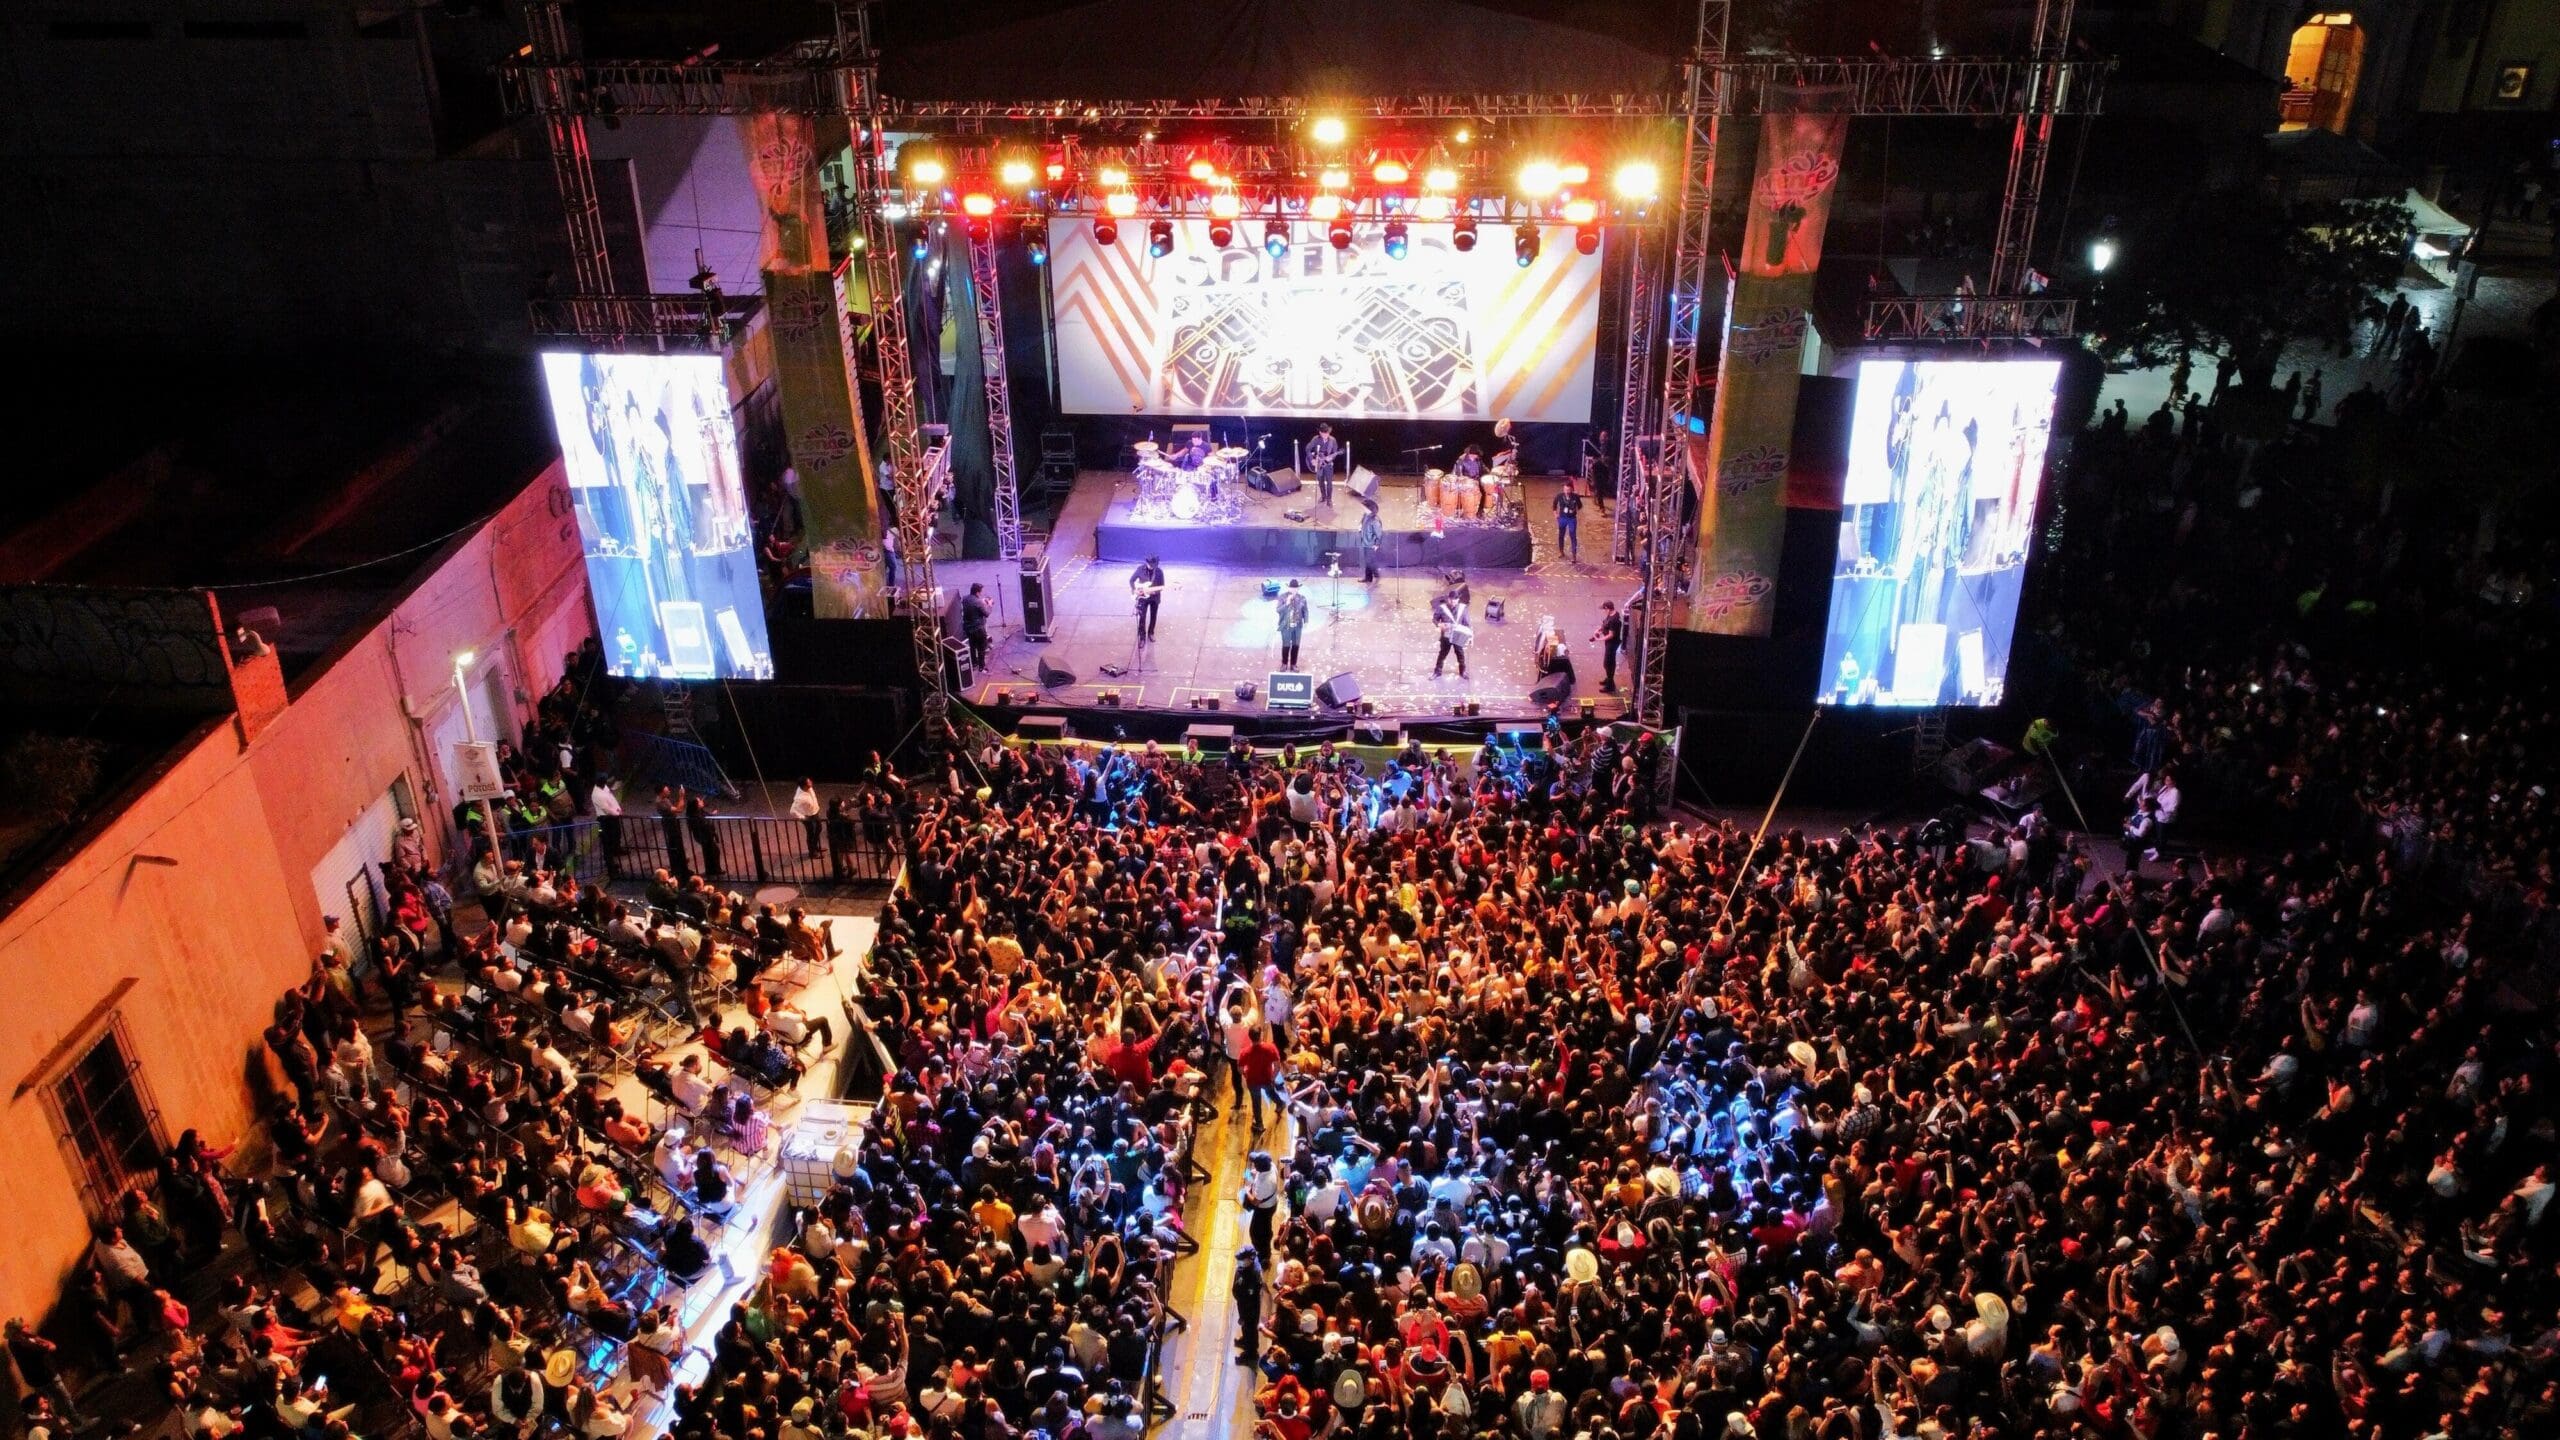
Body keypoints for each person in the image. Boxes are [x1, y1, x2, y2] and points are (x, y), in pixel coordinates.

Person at [1432, 590, 1470, 679]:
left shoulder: (1463, 608)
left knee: (1460, 654)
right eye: (1451, 599)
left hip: (1458, 635)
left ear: (1458, 600)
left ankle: (1462, 671)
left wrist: (1468, 636)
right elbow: (1434, 619)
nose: (1453, 601)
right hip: (1446, 635)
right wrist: (1439, 624)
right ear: (1448, 599)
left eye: (1455, 599)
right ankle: (1437, 672)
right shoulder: (1442, 608)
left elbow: (1467, 624)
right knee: (1442, 653)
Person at [1590, 599, 1626, 693]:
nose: (1603, 611)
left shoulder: (1614, 620)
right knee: (1607, 663)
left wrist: (1599, 639)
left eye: (1604, 609)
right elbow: (1605, 624)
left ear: (1608, 608)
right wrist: (1599, 630)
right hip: (1609, 643)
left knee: (1608, 663)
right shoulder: (1611, 615)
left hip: (1612, 644)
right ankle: (1609, 679)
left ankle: (1610, 685)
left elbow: (1611, 635)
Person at [1129, 557, 1166, 644]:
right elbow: (1131, 580)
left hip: (1154, 598)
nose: (1152, 567)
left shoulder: (1159, 572)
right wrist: (1134, 590)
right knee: (1142, 617)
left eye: (1154, 565)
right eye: (1151, 565)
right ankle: (1142, 636)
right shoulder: (1140, 569)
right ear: (1147, 563)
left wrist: (1154, 592)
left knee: (1153, 616)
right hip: (1143, 597)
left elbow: (1162, 586)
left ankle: (1151, 633)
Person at [1275, 579, 1309, 670]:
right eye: (1292, 588)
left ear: (1298, 589)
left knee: (1295, 645)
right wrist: (1287, 603)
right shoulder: (1282, 597)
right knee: (1286, 645)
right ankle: (1284, 664)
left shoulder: (1302, 598)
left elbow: (1305, 611)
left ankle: (1293, 664)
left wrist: (1306, 621)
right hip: (1286, 626)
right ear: (1289, 588)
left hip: (1297, 626)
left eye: (1296, 588)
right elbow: (1278, 610)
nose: (1294, 590)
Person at [1305, 423, 1340, 506]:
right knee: (1320, 481)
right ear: (1320, 433)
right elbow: (1308, 449)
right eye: (1324, 433)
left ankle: (1329, 499)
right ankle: (1323, 496)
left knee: (1329, 482)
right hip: (1318, 464)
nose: (1326, 435)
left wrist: (1330, 458)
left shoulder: (1333, 440)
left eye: (1327, 433)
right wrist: (1312, 459)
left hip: (1328, 465)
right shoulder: (1315, 439)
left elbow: (1335, 453)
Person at [958, 583, 992, 668]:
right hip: (978, 629)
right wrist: (989, 605)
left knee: (972, 646)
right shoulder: (978, 602)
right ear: (977, 592)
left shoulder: (965, 598)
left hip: (968, 628)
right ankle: (981, 666)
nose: (981, 593)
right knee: (981, 647)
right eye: (980, 592)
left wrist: (982, 601)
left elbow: (973, 606)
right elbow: (986, 614)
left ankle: (974, 663)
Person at [788, 778, 822, 858]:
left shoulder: (809, 788)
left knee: (819, 828)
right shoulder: (800, 798)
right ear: (804, 786)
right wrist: (803, 817)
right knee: (811, 833)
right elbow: (792, 811)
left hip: (814, 812)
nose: (811, 782)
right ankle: (812, 852)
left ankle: (815, 847)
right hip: (808, 816)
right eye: (808, 782)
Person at [1552, 477, 1584, 560]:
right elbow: (1554, 505)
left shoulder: (1575, 497)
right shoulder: (1559, 496)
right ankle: (1561, 551)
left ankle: (1574, 555)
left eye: (1568, 490)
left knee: (1572, 534)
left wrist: (1575, 510)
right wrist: (1555, 514)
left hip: (1572, 518)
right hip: (1562, 518)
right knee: (1561, 535)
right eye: (1565, 490)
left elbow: (1580, 506)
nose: (1566, 492)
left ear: (1572, 490)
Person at [1357, 503, 1384, 584]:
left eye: (1364, 507)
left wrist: (1377, 544)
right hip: (1365, 542)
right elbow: (1362, 524)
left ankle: (1372, 576)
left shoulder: (1374, 520)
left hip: (1371, 543)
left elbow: (1379, 533)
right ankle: (1372, 576)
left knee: (1369, 561)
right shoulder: (1365, 516)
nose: (1363, 508)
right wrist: (1360, 527)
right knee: (1368, 561)